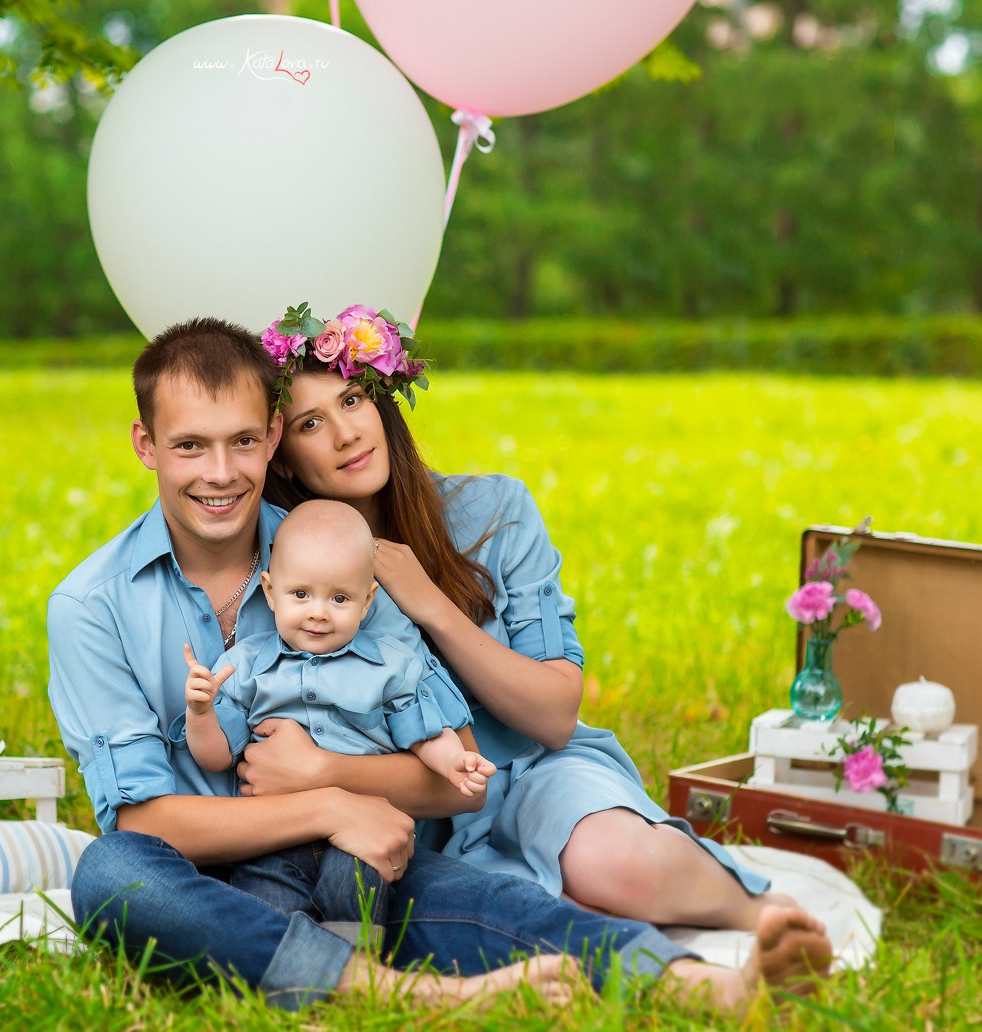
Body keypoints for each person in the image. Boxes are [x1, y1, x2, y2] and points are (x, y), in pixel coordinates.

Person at [47, 314, 831, 1012]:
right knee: (113, 874)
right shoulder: (92, 605)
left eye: (243, 442)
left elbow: (447, 771)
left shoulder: (336, 553)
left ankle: (704, 985)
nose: (220, 474)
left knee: (499, 905)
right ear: (146, 445)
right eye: (190, 446)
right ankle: (412, 994)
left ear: (270, 442)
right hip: (215, 874)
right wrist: (326, 806)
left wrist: (333, 789)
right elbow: (145, 819)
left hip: (364, 860)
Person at [256, 302, 793, 931]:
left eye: (352, 401)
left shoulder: (495, 511)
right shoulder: (290, 572)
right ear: (283, 455)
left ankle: (759, 919)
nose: (345, 433)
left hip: (539, 769)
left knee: (613, 863)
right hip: (415, 816)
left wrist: (428, 601)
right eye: (311, 423)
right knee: (539, 913)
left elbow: (556, 715)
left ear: (383, 403)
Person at [183, 499, 492, 939]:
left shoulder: (390, 666)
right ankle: (286, 965)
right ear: (270, 592)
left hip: (364, 827)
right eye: (301, 594)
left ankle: (354, 966)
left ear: (367, 601)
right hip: (276, 827)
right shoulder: (245, 668)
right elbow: (216, 757)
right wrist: (200, 712)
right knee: (265, 890)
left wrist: (453, 763)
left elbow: (422, 734)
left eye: (340, 598)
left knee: (355, 886)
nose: (318, 612)